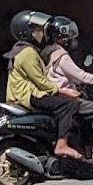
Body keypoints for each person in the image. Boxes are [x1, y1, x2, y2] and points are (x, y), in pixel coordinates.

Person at [5, 10, 83, 160]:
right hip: (29, 95)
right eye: (38, 30)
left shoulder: (26, 50)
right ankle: (62, 144)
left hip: (29, 93)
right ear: (26, 32)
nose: (43, 34)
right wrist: (65, 91)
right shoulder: (28, 53)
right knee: (69, 104)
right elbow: (41, 82)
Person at [41, 16, 93, 165]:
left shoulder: (48, 52)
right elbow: (81, 76)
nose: (72, 40)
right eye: (70, 36)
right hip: (66, 98)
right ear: (62, 36)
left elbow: (67, 76)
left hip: (56, 96)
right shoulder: (61, 56)